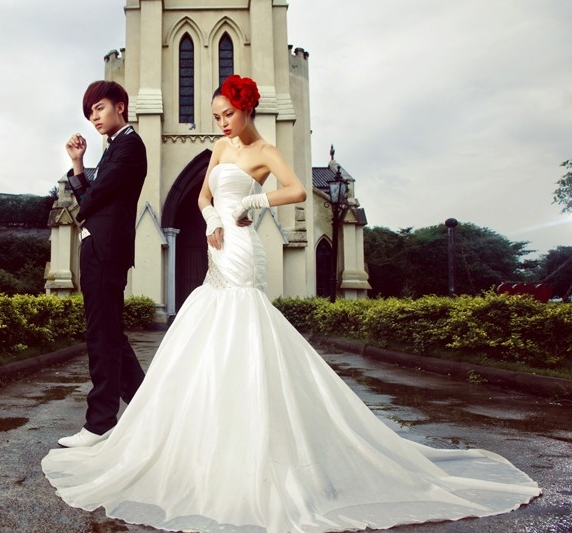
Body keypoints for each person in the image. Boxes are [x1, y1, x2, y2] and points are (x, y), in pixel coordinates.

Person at [42, 75, 540, 532]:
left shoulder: (264, 150)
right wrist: (212, 219)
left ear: (247, 110)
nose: (221, 123)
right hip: (220, 244)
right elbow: (202, 197)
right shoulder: (218, 147)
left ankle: (260, 441)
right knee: (207, 329)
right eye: (216, 115)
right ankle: (195, 429)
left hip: (244, 246)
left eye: (228, 114)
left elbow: (297, 189)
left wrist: (252, 203)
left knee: (245, 325)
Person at [58, 80, 147, 448]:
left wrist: (84, 181)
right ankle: (147, 409)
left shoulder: (129, 146)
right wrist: (78, 164)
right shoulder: (114, 148)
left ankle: (100, 423)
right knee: (109, 334)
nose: (94, 117)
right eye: (89, 113)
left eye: (99, 108)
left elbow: (90, 200)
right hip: (100, 249)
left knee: (102, 335)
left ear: (120, 106)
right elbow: (90, 198)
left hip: (106, 251)